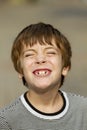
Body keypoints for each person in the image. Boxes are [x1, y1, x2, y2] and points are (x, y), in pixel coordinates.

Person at [0, 22, 87, 130]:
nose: (40, 59)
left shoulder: (83, 110)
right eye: (30, 54)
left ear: (65, 68)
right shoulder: (6, 121)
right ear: (20, 71)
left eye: (50, 52)